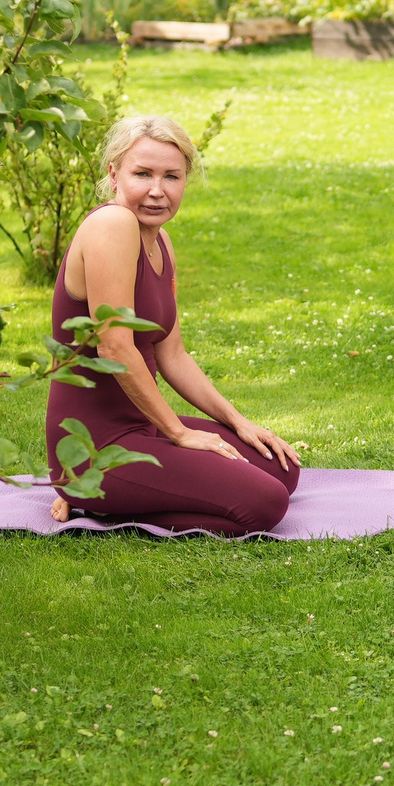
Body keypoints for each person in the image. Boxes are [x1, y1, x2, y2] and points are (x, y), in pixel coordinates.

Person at [46, 114, 301, 534]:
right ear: (114, 174)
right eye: (142, 173)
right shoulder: (112, 225)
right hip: (94, 448)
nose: (157, 191)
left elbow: (172, 353)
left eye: (172, 177)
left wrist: (238, 422)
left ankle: (121, 493)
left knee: (281, 468)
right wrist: (179, 433)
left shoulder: (160, 239)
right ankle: (96, 499)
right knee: (264, 504)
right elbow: (114, 347)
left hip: (143, 429)